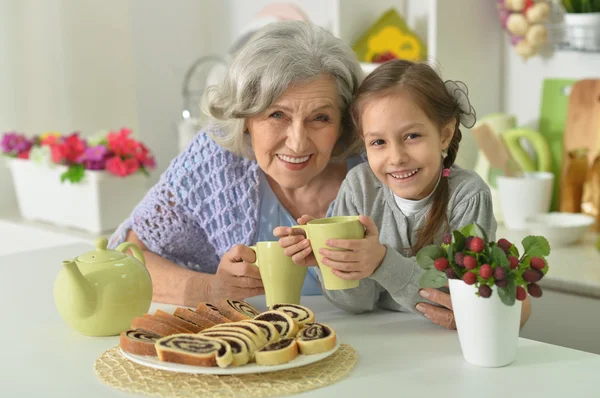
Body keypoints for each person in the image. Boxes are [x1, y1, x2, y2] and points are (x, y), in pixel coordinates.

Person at [108, 21, 366, 307]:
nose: (297, 143)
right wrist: (209, 289)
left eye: (320, 118)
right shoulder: (215, 161)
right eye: (277, 115)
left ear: (343, 122)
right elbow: (127, 256)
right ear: (244, 120)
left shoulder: (375, 164)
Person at [276, 59, 532, 329]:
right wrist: (331, 264)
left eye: (411, 136)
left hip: (448, 345)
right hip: (384, 342)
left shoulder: (468, 195)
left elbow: (463, 301)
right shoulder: (359, 187)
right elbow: (358, 305)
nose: (396, 157)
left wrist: (382, 262)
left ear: (445, 134)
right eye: (378, 142)